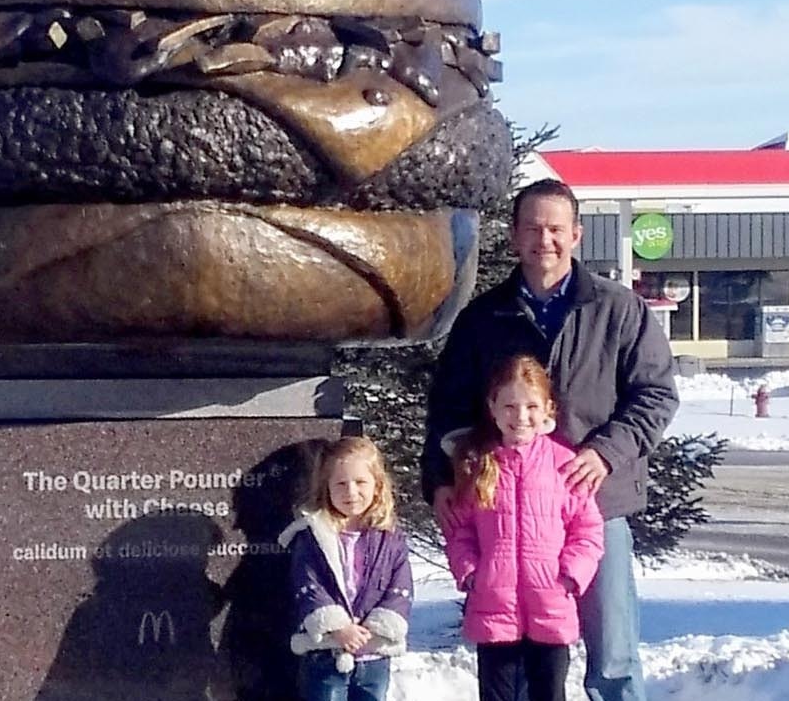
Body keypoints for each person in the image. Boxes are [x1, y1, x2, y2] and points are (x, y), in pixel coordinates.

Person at [422, 178, 680, 701]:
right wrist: (441, 479)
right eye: (533, 228)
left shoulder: (618, 309)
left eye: (557, 229)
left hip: (594, 507)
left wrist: (607, 453)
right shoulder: (482, 319)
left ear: (577, 235)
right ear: (515, 237)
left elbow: (655, 395)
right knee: (517, 667)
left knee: (614, 657)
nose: (546, 240)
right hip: (507, 518)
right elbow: (447, 409)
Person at [443, 354, 605, 701]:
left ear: (548, 408)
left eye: (531, 406)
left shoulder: (565, 464)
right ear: (493, 407)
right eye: (510, 406)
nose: (520, 417)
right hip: (494, 607)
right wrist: (471, 572)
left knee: (548, 693)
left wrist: (571, 575)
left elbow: (587, 531)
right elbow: (461, 531)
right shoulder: (479, 465)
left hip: (551, 605)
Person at [280, 436, 414, 701]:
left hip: (373, 655)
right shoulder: (314, 537)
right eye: (341, 484)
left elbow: (401, 587)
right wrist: (338, 628)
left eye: (360, 482)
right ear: (326, 487)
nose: (351, 492)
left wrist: (376, 628)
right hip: (327, 652)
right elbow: (307, 583)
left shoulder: (391, 539)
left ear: (377, 486)